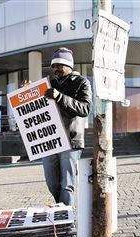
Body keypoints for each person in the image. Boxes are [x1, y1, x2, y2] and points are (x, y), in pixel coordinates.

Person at [43, 47, 92, 207]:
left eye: (58, 65)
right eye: (53, 65)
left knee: (67, 184)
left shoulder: (82, 82)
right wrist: (27, 90)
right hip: (50, 139)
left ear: (69, 65)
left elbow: (85, 108)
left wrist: (60, 97)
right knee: (52, 182)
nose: (55, 69)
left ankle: (66, 217)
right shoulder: (49, 83)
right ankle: (61, 210)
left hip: (70, 140)